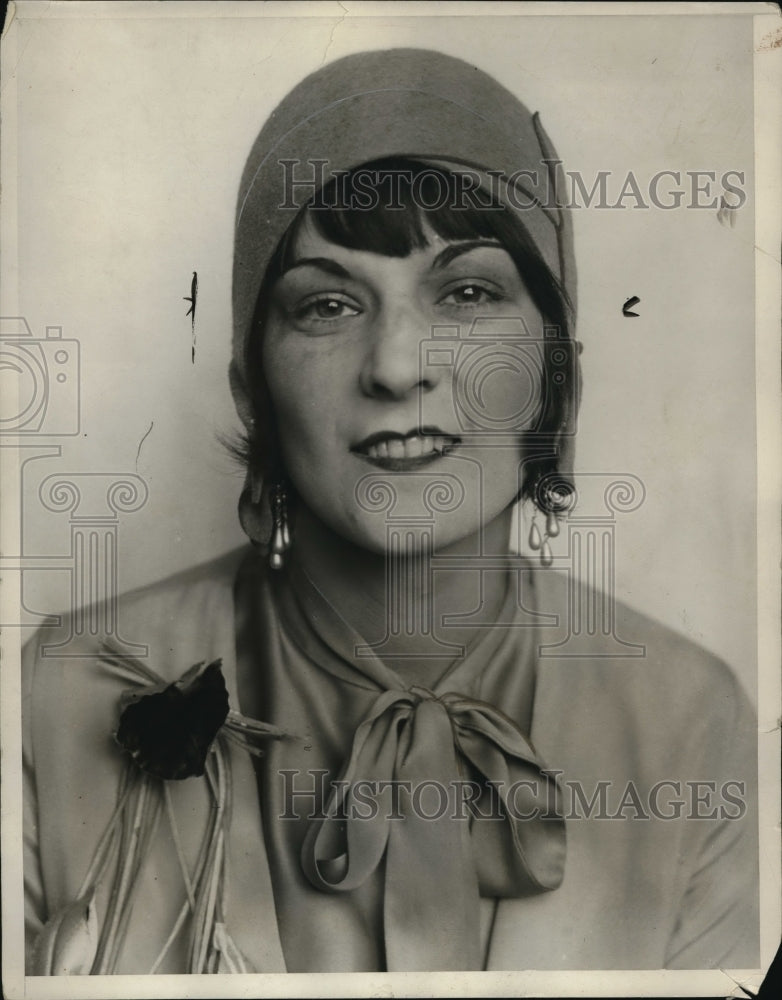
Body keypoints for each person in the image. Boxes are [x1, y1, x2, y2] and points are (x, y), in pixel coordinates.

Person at [22, 47, 758, 975]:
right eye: (327, 305)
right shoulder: (50, 699)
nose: (398, 366)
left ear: (556, 379)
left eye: (469, 292)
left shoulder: (693, 720)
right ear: (252, 389)